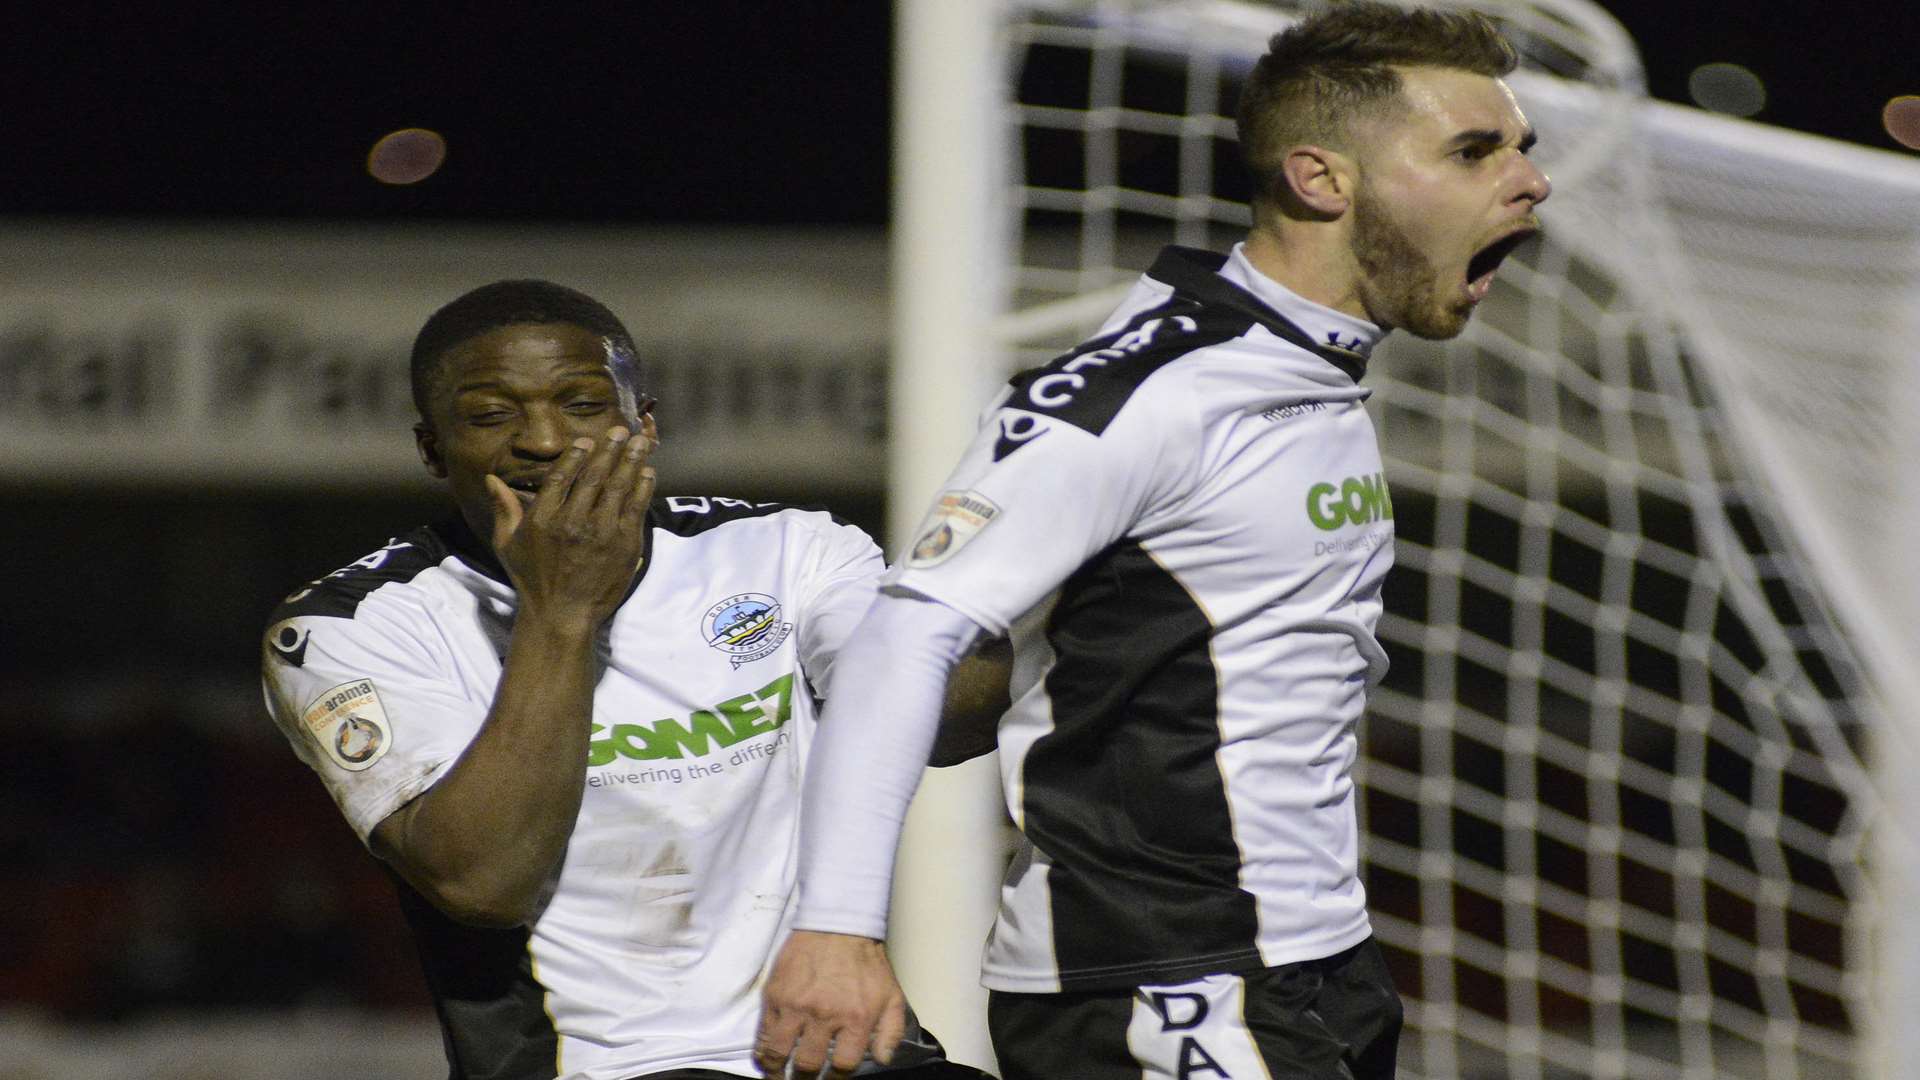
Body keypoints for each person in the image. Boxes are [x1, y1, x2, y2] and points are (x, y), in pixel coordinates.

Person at [755, 3, 1551, 1078]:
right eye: (1474, 149)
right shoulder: (1147, 393)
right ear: (1322, 180)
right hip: (1161, 980)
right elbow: (909, 636)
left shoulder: (1309, 373)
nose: (1528, 180)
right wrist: (838, 927)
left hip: (1311, 963)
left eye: (1521, 148)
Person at [260, 280, 998, 1080]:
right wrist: (562, 608)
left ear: (641, 424)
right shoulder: (352, 626)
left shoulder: (786, 551)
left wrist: (990, 590)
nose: (542, 441)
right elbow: (483, 883)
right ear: (433, 449)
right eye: (490, 415)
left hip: (834, 1047)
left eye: (581, 404)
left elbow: (952, 724)